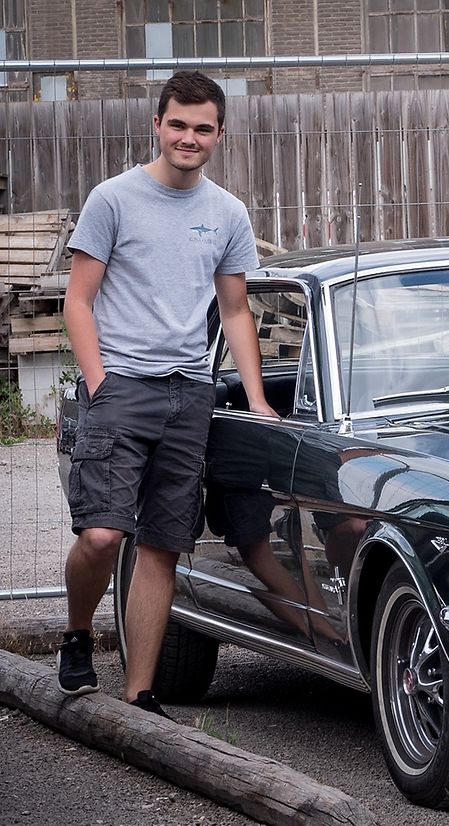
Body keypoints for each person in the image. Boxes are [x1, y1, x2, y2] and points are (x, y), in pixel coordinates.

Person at [57, 71, 276, 718]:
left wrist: (257, 397)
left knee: (161, 545)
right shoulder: (113, 199)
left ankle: (139, 694)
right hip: (122, 386)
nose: (189, 137)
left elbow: (236, 312)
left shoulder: (228, 214)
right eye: (178, 124)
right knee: (102, 536)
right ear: (157, 124)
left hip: (190, 395)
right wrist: (100, 384)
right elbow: (77, 300)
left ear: (219, 134)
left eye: (202, 127)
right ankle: (76, 634)